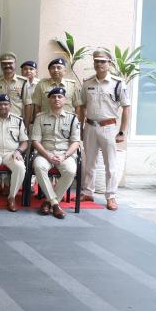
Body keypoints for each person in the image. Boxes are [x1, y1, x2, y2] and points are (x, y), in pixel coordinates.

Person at [79, 49, 131, 210]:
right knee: (89, 162)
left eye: (102, 61)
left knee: (111, 164)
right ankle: (88, 192)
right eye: (96, 61)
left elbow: (126, 107)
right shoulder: (87, 83)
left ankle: (111, 196)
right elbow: (82, 106)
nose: (99, 64)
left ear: (109, 63)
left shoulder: (118, 83)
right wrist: (80, 127)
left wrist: (122, 132)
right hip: (90, 126)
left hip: (108, 128)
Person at [31, 87, 81, 219]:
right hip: (44, 153)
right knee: (39, 166)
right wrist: (47, 155)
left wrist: (64, 156)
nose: (56, 99)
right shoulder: (40, 117)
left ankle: (49, 202)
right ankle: (55, 204)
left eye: (59, 97)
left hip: (65, 154)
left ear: (65, 100)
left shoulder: (72, 118)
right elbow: (35, 141)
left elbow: (75, 142)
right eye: (53, 97)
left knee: (71, 170)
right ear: (49, 100)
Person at [0, 52, 29, 118]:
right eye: (4, 63)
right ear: (1, 65)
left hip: (16, 118)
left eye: (10, 63)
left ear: (15, 64)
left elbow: (27, 104)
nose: (7, 65)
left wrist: (26, 123)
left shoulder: (23, 82)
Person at [20, 60, 39, 127]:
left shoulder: (39, 84)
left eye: (31, 69)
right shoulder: (18, 83)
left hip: (35, 119)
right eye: (25, 69)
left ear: (36, 72)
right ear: (21, 71)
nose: (28, 71)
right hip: (20, 118)